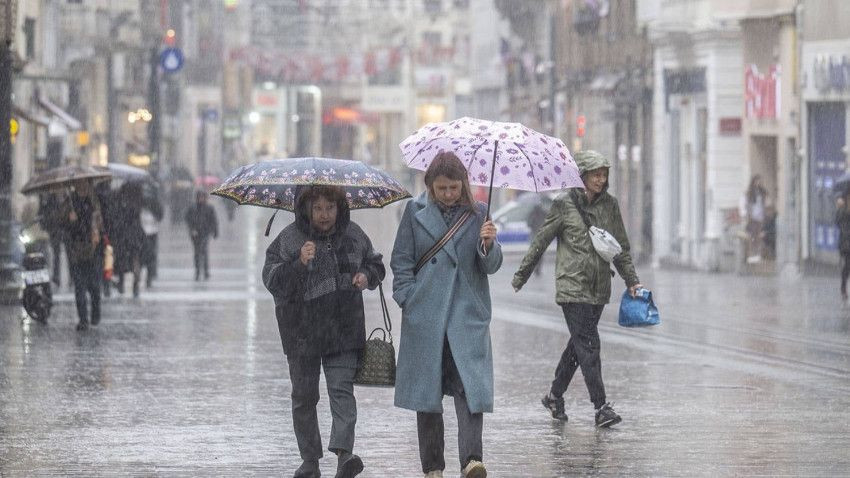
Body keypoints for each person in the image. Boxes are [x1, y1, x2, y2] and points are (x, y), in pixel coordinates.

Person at [512, 150, 644, 428]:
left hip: (599, 287)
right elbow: (541, 241)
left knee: (578, 345)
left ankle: (554, 395)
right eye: (595, 174)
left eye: (604, 174)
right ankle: (601, 407)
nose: (601, 179)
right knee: (589, 345)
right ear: (581, 175)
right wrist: (522, 275)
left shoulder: (610, 205)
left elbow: (619, 247)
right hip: (572, 287)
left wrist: (631, 280)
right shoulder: (563, 205)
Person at [391, 152, 502, 478]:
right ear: (430, 186)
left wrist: (488, 245)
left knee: (470, 390)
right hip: (426, 316)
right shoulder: (414, 211)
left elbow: (491, 266)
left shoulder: (479, 213)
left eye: (454, 187)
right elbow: (401, 261)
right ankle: (433, 467)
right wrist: (408, 299)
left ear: (463, 185)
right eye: (442, 188)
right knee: (428, 396)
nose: (449, 194)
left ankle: (471, 460)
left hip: (466, 316)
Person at [262, 185, 385, 478]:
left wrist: (366, 276)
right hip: (301, 332)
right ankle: (310, 460)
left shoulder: (353, 234)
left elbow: (376, 264)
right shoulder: (290, 239)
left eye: (330, 207)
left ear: (339, 207)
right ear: (306, 209)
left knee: (342, 391)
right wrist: (298, 263)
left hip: (344, 328)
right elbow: (271, 279)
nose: (324, 215)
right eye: (318, 208)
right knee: (304, 397)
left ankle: (344, 455)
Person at [58, 181, 104, 331]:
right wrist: (69, 220)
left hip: (93, 250)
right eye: (79, 184)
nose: (82, 186)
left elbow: (102, 221)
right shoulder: (70, 202)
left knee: (95, 288)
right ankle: (83, 319)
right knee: (79, 287)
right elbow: (62, 225)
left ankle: (95, 313)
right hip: (76, 251)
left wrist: (98, 229)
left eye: (84, 184)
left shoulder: (94, 200)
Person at [113, 182, 145, 297]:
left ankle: (122, 283)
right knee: (135, 260)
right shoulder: (138, 200)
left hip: (125, 235)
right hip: (134, 235)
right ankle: (135, 286)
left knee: (123, 259)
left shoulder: (122, 202)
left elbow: (118, 218)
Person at [185, 191, 218, 281]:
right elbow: (188, 219)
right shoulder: (192, 208)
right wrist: (192, 229)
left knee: (204, 251)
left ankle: (206, 270)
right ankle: (198, 270)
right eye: (199, 197)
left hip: (205, 233)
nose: (201, 199)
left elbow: (214, 220)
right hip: (195, 234)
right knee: (197, 252)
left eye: (202, 197)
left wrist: (215, 232)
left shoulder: (209, 208)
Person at [140, 185, 164, 288]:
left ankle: (148, 275)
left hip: (149, 231)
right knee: (149, 255)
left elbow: (160, 215)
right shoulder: (153, 203)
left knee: (148, 255)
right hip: (145, 231)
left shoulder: (153, 204)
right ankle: (148, 275)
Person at [743, 175, 769, 263]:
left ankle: (758, 255)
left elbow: (765, 201)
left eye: (759, 181)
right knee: (752, 236)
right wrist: (748, 216)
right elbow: (747, 205)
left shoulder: (762, 192)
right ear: (753, 182)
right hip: (753, 217)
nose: (758, 183)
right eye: (757, 181)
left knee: (759, 236)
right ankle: (752, 254)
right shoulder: (750, 193)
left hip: (760, 216)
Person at [526, 198, 547, 276]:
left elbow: (528, 223)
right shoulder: (543, 212)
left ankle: (536, 268)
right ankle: (537, 268)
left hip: (536, 235)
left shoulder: (533, 213)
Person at [836, 192, 850, 300]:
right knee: (847, 266)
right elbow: (837, 222)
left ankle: (843, 288)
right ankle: (843, 288)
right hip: (846, 244)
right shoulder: (842, 212)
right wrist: (840, 207)